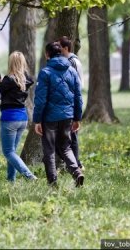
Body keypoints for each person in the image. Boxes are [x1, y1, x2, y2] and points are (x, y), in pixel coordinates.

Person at [33, 42, 84, 187]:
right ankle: (77, 172)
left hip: (49, 118)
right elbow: (78, 96)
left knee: (49, 150)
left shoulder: (45, 72)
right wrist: (77, 118)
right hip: (68, 116)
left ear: (47, 54)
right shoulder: (72, 71)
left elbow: (40, 99)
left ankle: (53, 183)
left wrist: (37, 120)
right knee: (66, 147)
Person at [0, 51, 37, 183]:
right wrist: (0, 80)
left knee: (8, 152)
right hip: (22, 118)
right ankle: (11, 180)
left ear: (11, 63)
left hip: (10, 118)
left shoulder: (8, 80)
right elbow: (12, 88)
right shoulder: (26, 80)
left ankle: (29, 176)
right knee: (12, 151)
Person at [59, 36, 84, 170]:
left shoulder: (72, 62)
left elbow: (76, 85)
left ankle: (76, 164)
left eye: (60, 47)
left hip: (72, 102)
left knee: (72, 135)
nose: (58, 50)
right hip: (69, 101)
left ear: (66, 48)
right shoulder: (67, 60)